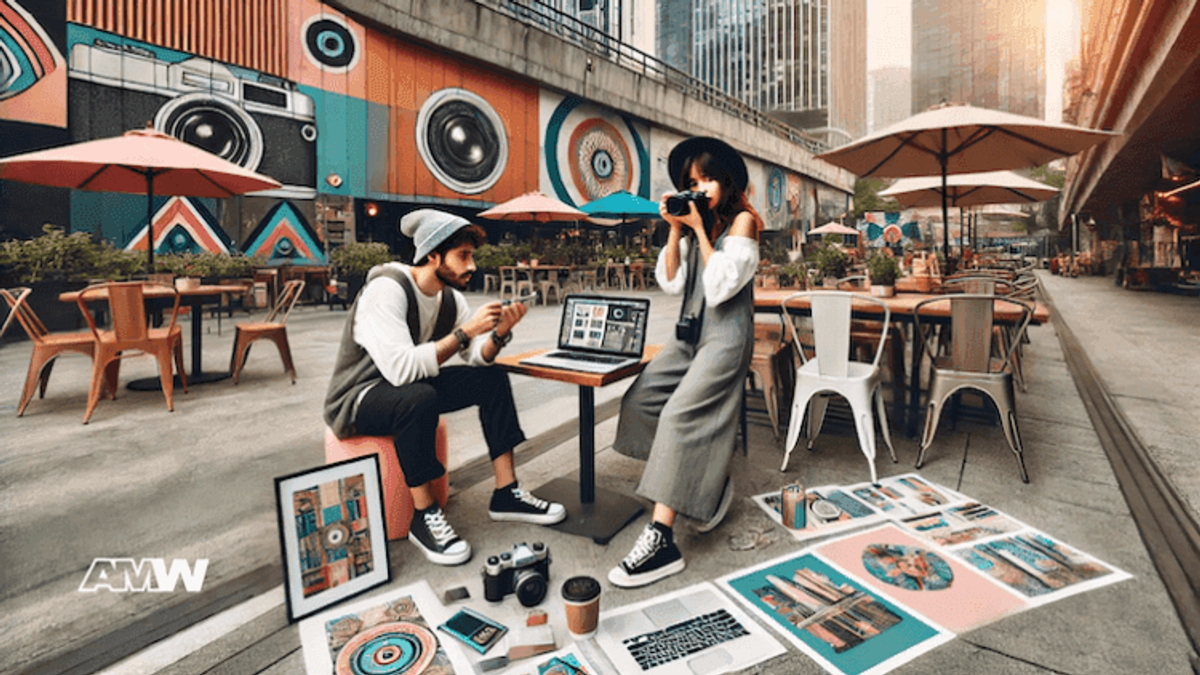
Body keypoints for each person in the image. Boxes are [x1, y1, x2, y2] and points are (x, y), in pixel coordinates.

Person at [324, 209, 565, 566]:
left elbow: (475, 360)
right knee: (419, 397)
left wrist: (497, 336)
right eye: (463, 256)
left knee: (492, 378)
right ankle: (424, 516)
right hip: (358, 397)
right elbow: (402, 369)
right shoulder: (386, 289)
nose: (471, 266)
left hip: (408, 387)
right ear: (433, 254)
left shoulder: (450, 299)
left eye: (471, 256)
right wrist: (466, 332)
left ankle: (506, 492)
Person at [607, 137, 763, 588]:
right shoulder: (699, 223)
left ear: (727, 181)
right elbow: (671, 282)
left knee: (678, 417)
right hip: (688, 332)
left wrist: (698, 229)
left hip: (725, 338)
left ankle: (662, 537)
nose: (701, 189)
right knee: (641, 399)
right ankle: (693, 480)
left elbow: (720, 289)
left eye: (708, 179)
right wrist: (675, 229)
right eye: (692, 182)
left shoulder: (743, 223)